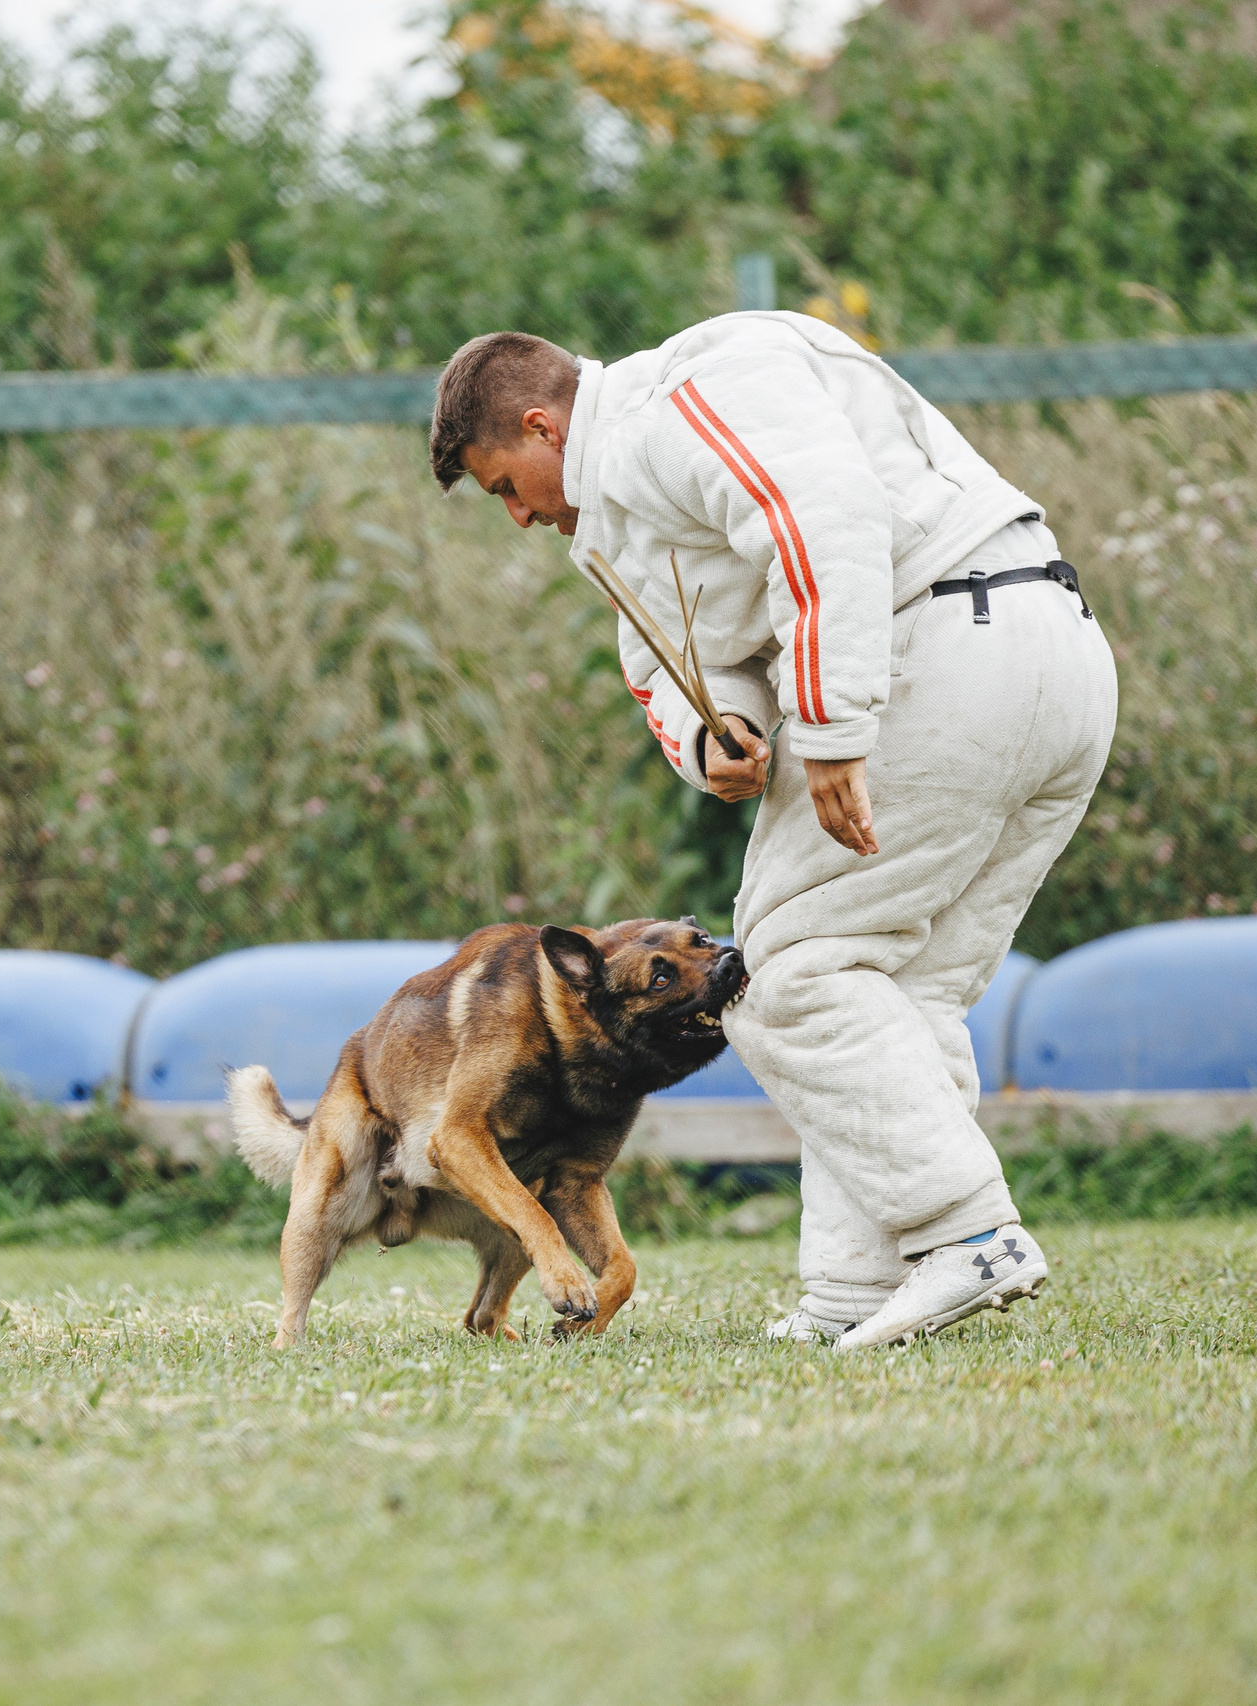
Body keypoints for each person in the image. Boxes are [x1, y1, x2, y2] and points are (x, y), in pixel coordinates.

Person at [428, 312, 1117, 1350]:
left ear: (540, 425)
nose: (519, 516)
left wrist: (833, 728)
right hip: (1046, 644)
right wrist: (722, 737)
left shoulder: (676, 401)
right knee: (899, 985)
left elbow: (820, 517)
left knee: (778, 973)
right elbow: (675, 659)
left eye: (504, 486)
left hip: (941, 646)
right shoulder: (626, 502)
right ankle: (854, 1288)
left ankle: (967, 1231)